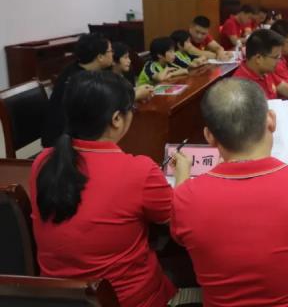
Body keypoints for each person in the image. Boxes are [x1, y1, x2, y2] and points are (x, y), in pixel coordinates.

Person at [171, 79, 288, 306]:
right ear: (271, 120)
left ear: (209, 136)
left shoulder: (184, 198)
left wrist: (182, 175)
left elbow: (178, 230)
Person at [30, 71, 191, 307]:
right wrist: (183, 173)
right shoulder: (139, 170)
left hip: (60, 300)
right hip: (128, 301)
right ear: (116, 119)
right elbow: (182, 223)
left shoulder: (43, 162)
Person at [41, 33, 114, 147]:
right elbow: (104, 106)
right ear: (100, 57)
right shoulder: (82, 82)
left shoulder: (74, 68)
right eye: (111, 51)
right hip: (63, 144)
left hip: (67, 135)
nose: (113, 54)